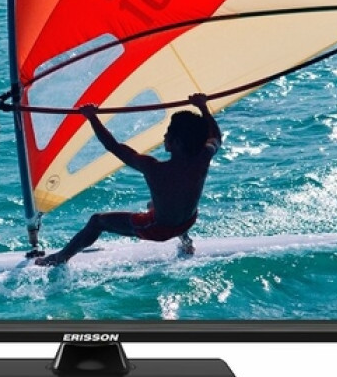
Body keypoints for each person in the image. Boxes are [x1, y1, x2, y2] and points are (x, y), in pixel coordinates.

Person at [35, 93, 221, 266]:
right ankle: (185, 241)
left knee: (97, 221)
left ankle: (61, 257)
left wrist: (92, 117)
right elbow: (216, 137)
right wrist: (203, 107)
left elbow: (113, 146)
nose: (164, 136)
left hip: (157, 229)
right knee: (153, 204)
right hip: (188, 220)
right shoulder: (204, 157)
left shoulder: (154, 168)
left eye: (168, 133)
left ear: (176, 143)